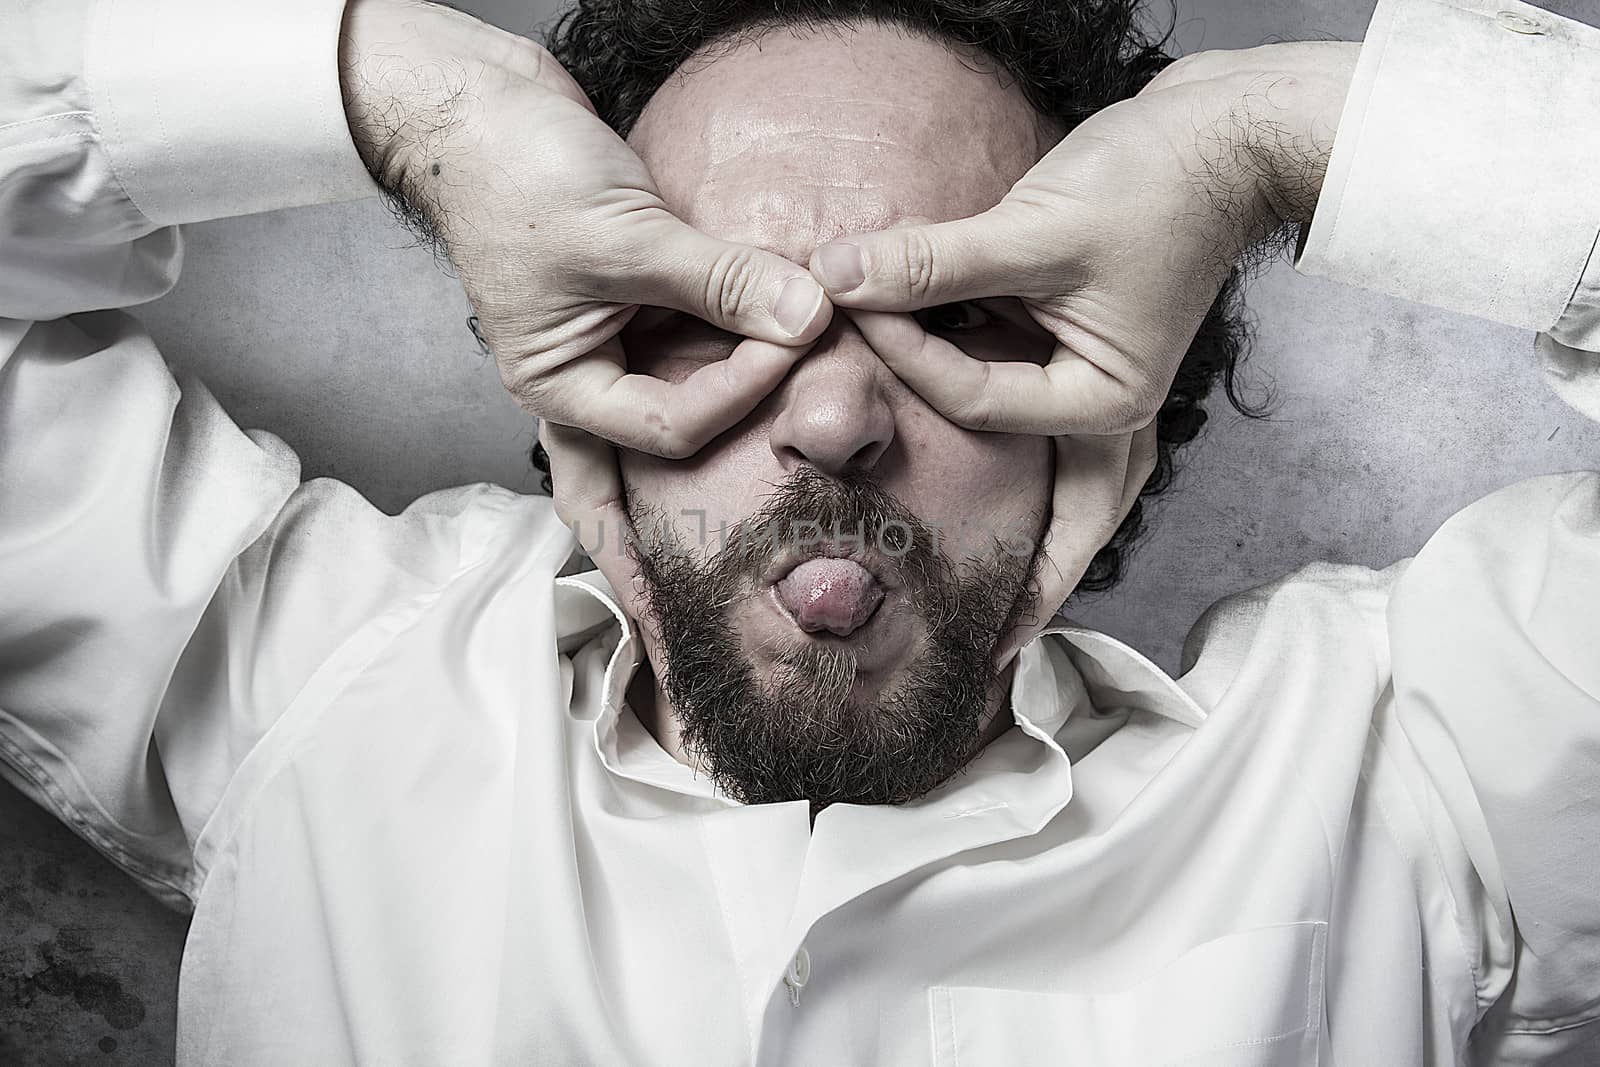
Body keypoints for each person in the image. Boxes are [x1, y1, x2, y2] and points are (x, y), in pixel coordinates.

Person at [1, 0, 1597, 1062]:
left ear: (1120, 383)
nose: (835, 424)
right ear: (575, 351)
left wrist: (1267, 135)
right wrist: (416, 95)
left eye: (961, 314)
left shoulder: (1407, 773)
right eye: (704, 311)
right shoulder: (308, 674)